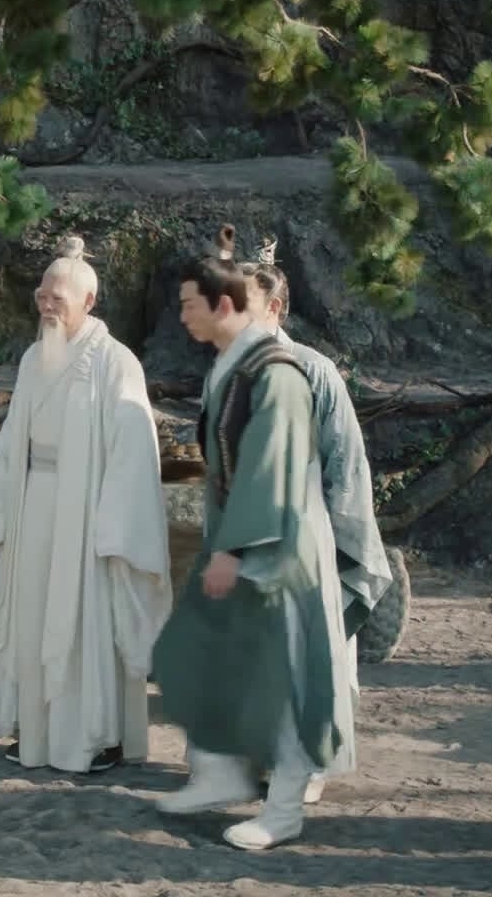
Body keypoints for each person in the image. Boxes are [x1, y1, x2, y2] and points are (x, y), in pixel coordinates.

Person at [150, 232, 350, 852]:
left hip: (279, 549)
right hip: (245, 541)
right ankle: (219, 773)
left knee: (283, 679)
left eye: (191, 304)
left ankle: (282, 810)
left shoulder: (279, 374)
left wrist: (234, 551)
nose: (184, 316)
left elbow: (272, 470)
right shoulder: (233, 368)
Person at [0, 235, 171, 774]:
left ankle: (95, 735)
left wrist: (112, 526)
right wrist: (3, 507)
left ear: (89, 301)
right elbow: (13, 438)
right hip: (34, 502)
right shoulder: (33, 358)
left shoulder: (115, 362)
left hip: (87, 513)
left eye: (57, 299)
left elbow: (134, 452)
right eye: (41, 296)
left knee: (86, 621)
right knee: (32, 615)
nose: (46, 306)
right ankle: (37, 731)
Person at [239, 229, 393, 804]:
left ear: (275, 309)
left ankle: (307, 762)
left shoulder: (315, 371)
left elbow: (345, 466)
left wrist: (338, 545)